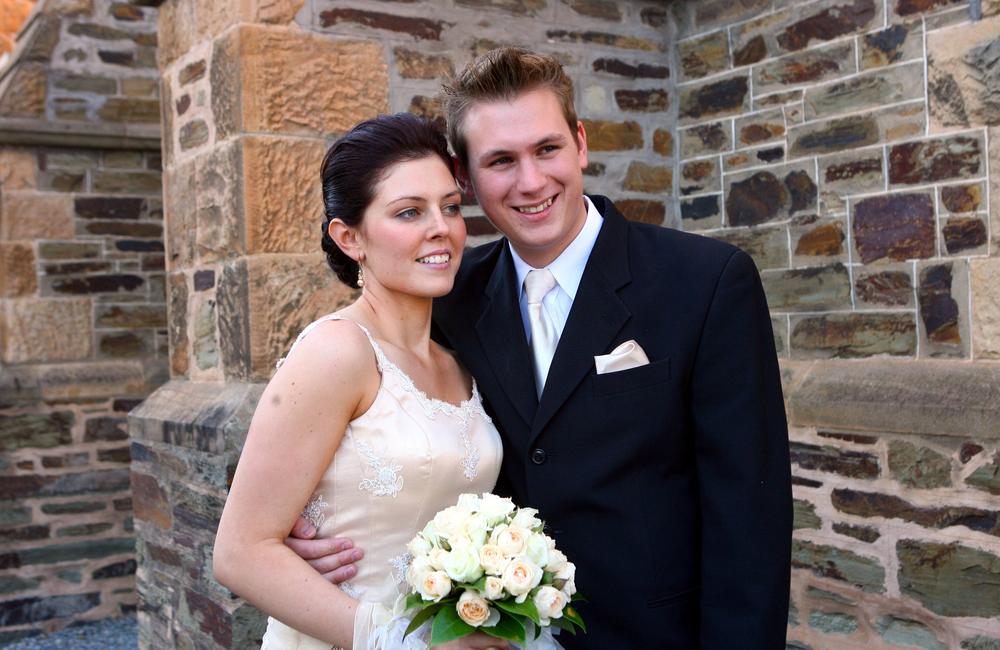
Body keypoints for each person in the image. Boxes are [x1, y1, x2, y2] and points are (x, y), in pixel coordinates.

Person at [291, 48, 793, 648]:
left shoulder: (706, 282)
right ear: (468, 179)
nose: (531, 182)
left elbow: (749, 518)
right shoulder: (449, 297)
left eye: (547, 149)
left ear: (580, 143)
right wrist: (305, 522)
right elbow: (343, 415)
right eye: (501, 161)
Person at [213, 113, 517, 649]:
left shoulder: (459, 361)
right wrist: (407, 643)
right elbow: (240, 553)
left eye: (450, 206)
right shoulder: (337, 351)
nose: (440, 228)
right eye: (408, 212)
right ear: (350, 236)